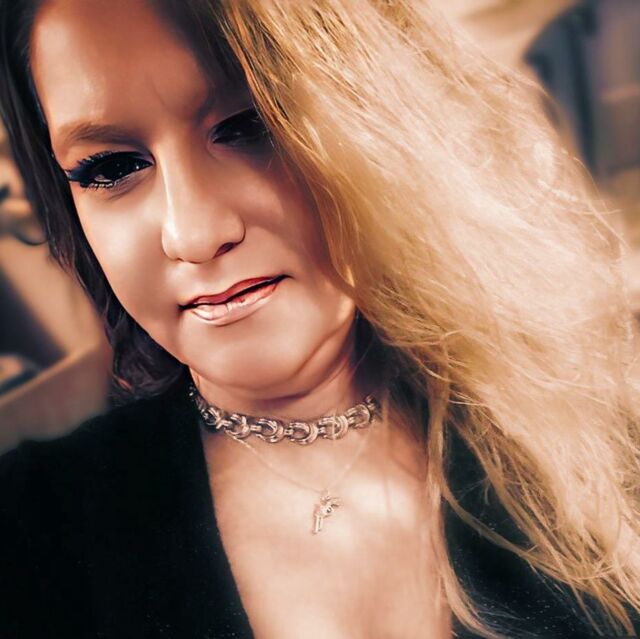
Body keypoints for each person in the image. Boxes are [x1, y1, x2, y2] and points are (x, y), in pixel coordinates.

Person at [0, 0, 639, 637]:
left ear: (381, 119)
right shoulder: (29, 536)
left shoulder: (600, 418)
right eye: (111, 168)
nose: (192, 234)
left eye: (250, 125)